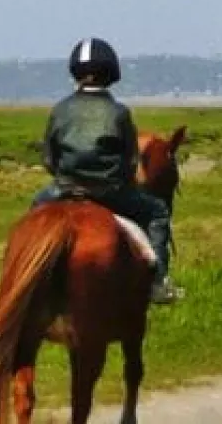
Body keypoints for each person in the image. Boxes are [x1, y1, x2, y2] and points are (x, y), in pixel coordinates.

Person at [32, 37, 181, 305]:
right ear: (111, 74)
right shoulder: (119, 113)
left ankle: (31, 276)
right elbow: (130, 161)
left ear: (75, 73)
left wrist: (66, 177)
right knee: (157, 212)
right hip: (110, 191)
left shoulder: (60, 110)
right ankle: (158, 282)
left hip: (65, 189)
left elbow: (49, 158)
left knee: (34, 214)